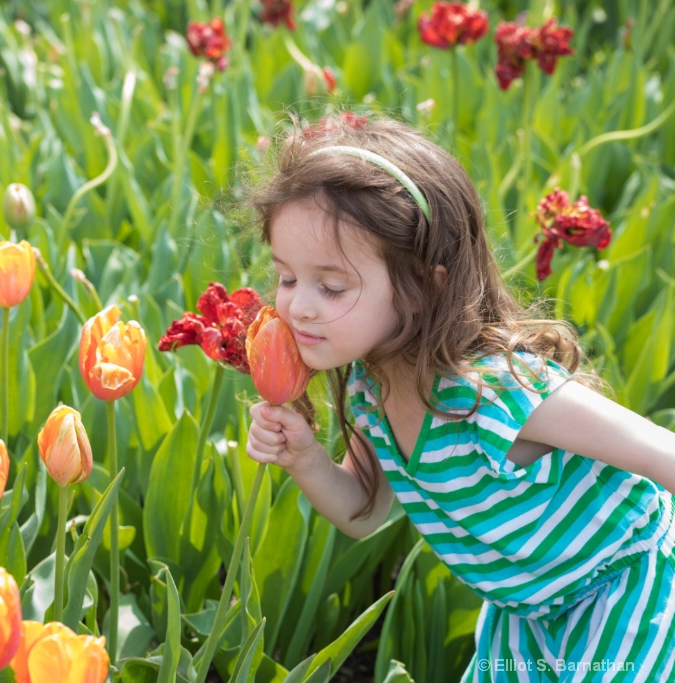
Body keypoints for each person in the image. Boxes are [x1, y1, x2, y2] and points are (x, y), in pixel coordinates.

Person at [244, 114, 675, 681]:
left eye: (331, 286)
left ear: (425, 286)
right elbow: (366, 511)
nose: (298, 306)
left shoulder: (500, 390)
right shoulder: (374, 391)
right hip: (528, 612)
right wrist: (306, 460)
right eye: (288, 277)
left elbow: (660, 454)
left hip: (629, 584)